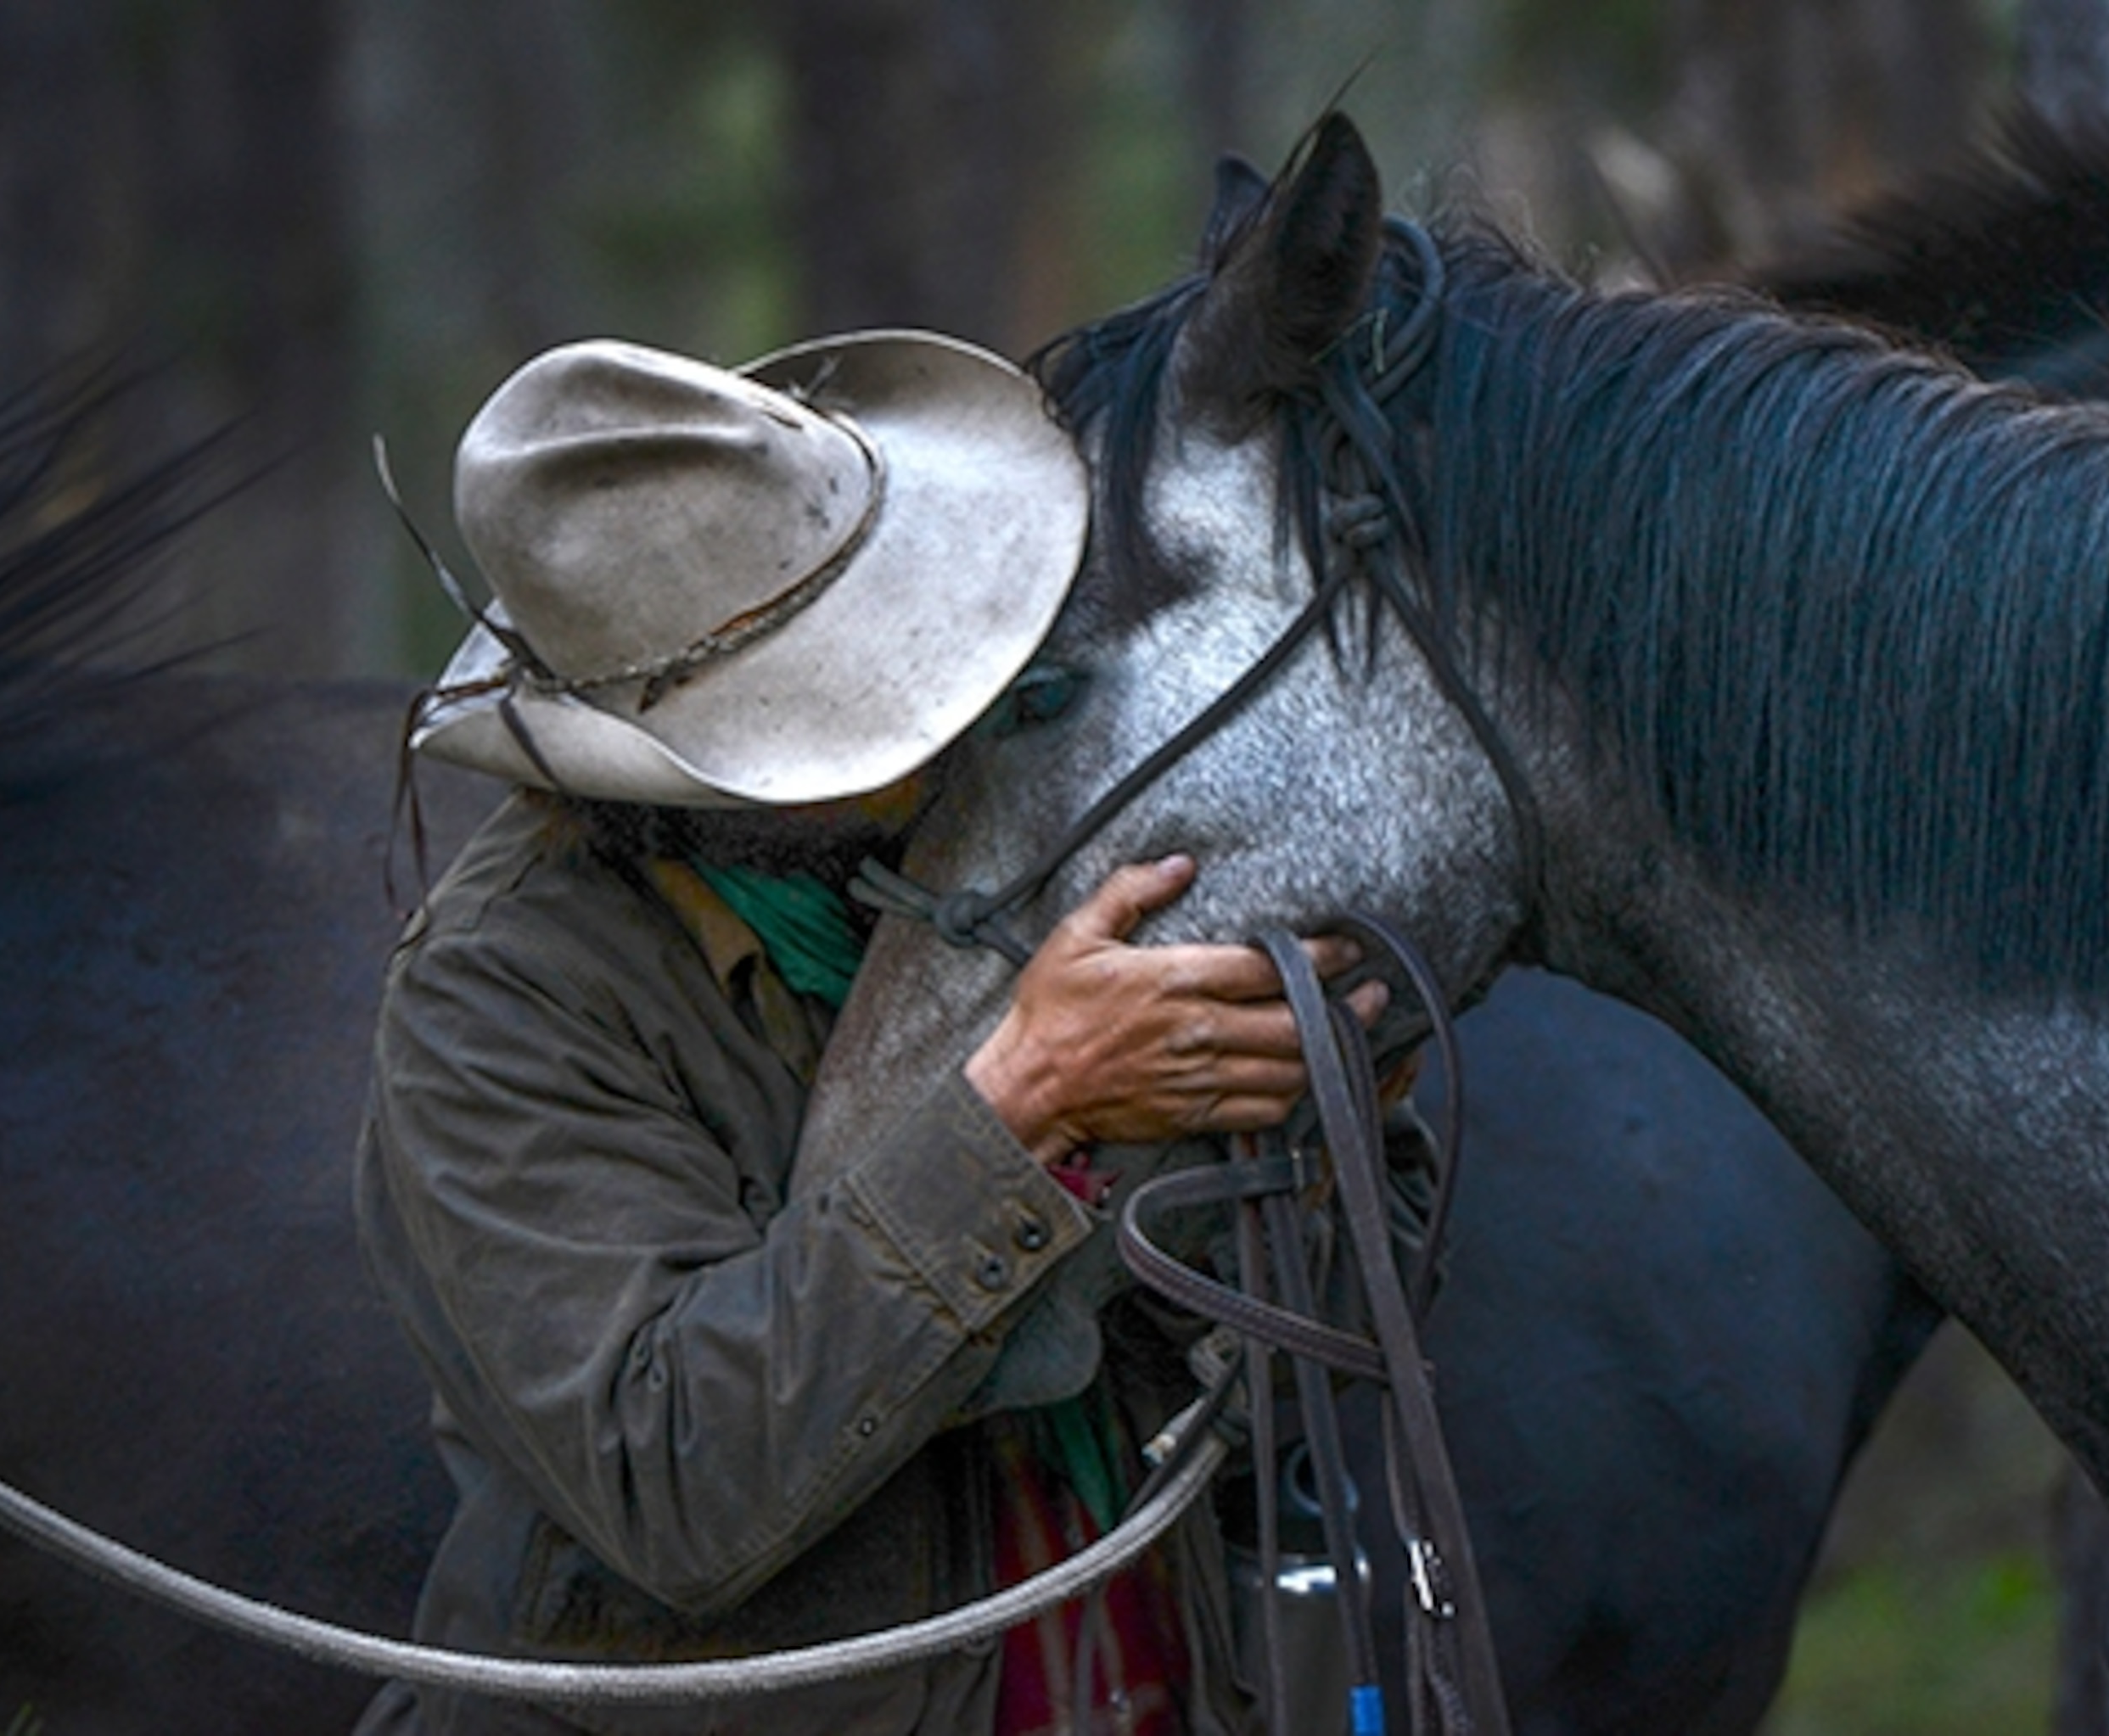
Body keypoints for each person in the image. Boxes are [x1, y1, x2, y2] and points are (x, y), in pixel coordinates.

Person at [351, 332, 1383, 1734]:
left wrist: (1323, 1120)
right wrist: (1021, 1105)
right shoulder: (497, 1000)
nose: (942, 713)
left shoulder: (1006, 845)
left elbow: (1298, 1353)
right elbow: (676, 1482)